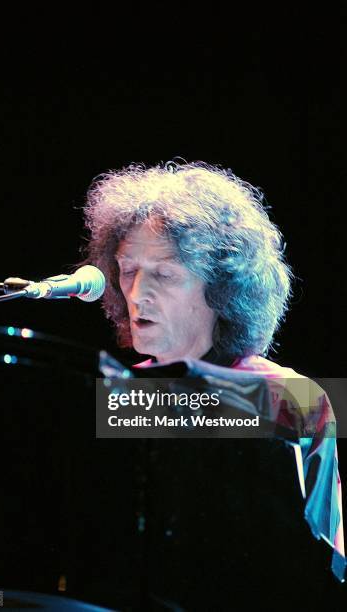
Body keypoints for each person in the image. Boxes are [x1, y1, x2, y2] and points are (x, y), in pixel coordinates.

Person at [82, 159, 345, 583]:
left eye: (164, 275)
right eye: (128, 271)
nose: (135, 294)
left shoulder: (288, 397)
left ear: (222, 289)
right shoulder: (113, 396)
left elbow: (325, 569)